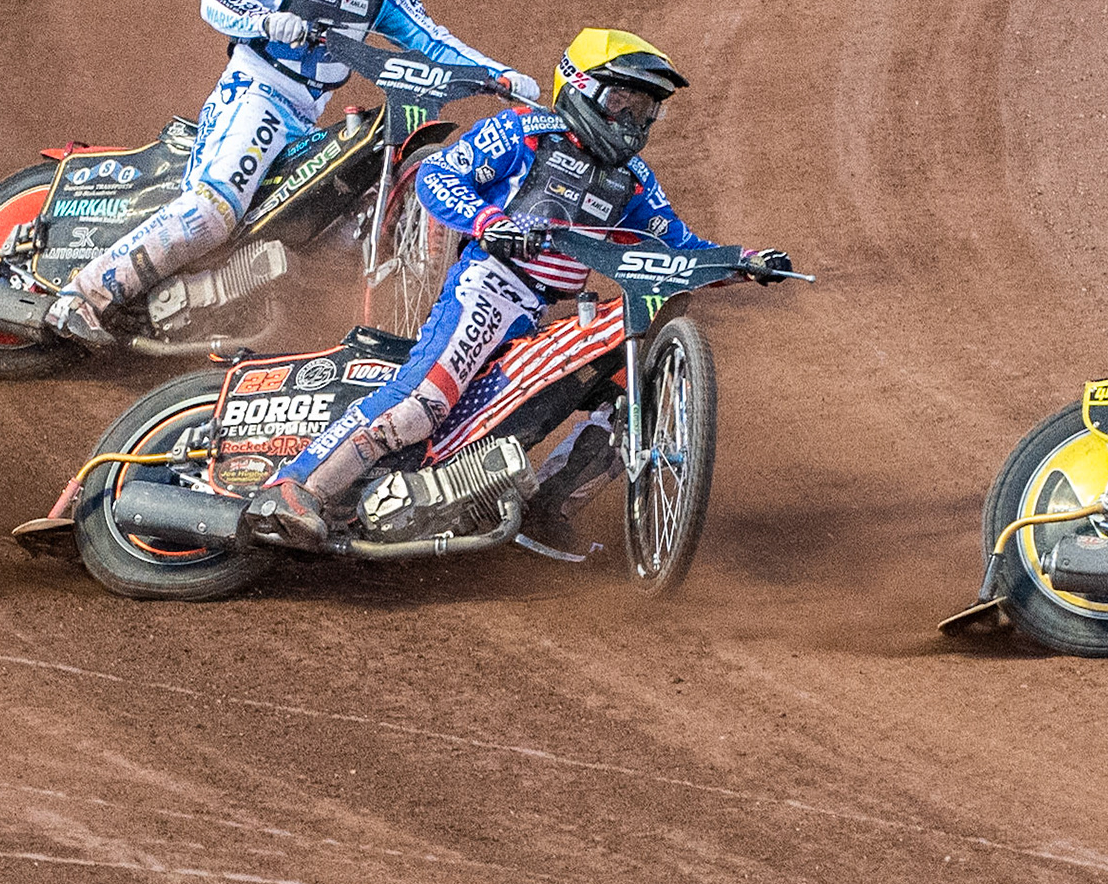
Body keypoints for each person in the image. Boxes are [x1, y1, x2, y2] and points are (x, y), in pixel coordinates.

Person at [244, 27, 793, 549]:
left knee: (628, 387)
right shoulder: (523, 130)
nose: (633, 121)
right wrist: (488, 221)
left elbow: (678, 248)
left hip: (543, 315)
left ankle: (549, 508)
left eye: (646, 110)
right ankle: (294, 488)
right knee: (422, 405)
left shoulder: (634, 180)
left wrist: (742, 261)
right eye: (623, 102)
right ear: (581, 89)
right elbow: (438, 176)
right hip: (487, 286)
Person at [43, 0, 538, 346]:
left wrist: (498, 75)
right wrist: (265, 20)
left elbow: (430, 38)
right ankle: (82, 297)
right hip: (255, 93)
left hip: (308, 115)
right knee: (213, 213)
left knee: (338, 223)